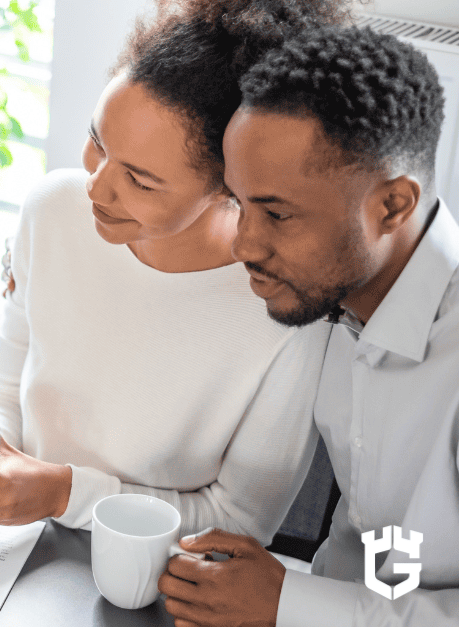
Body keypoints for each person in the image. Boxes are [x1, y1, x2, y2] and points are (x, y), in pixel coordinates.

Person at [0, 0, 347, 539]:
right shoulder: (52, 209)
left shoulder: (287, 306)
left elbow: (242, 523)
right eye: (97, 141)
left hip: (154, 583)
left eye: (140, 180)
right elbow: (4, 392)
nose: (96, 186)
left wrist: (60, 492)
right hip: (21, 546)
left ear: (231, 184)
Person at [160, 26, 459, 627]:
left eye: (275, 213)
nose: (245, 243)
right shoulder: (343, 300)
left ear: (393, 206)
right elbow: (392, 550)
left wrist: (288, 604)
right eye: (240, 204)